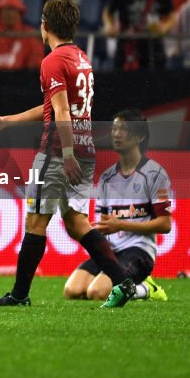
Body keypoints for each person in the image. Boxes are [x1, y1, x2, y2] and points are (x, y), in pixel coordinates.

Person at [0, 0, 138, 308]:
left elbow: (62, 111)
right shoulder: (80, 57)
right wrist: (7, 122)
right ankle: (123, 281)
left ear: (45, 25)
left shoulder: (52, 61)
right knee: (76, 221)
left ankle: (19, 295)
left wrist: (65, 154)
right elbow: (55, 106)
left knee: (36, 222)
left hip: (57, 152)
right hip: (86, 148)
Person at [63, 110, 171, 303]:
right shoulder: (106, 178)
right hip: (111, 250)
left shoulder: (155, 174)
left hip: (139, 251)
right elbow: (104, 224)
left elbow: (165, 224)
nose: (116, 134)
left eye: (123, 129)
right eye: (114, 129)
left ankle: (147, 288)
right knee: (73, 290)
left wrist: (122, 225)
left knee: (97, 293)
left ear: (140, 136)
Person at [103, 0, 176, 71]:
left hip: (153, 48)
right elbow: (108, 12)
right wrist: (109, 25)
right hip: (127, 47)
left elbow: (171, 16)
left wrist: (164, 28)